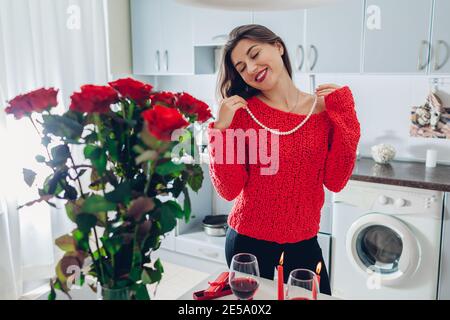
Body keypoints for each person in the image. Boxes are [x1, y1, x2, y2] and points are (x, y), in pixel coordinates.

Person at [206, 24, 361, 296]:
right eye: (242, 67)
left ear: (278, 46)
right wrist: (220, 130)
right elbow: (228, 189)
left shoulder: (325, 111)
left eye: (255, 54)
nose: (252, 68)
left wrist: (346, 112)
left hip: (304, 243)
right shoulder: (242, 113)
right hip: (248, 244)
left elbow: (336, 181)